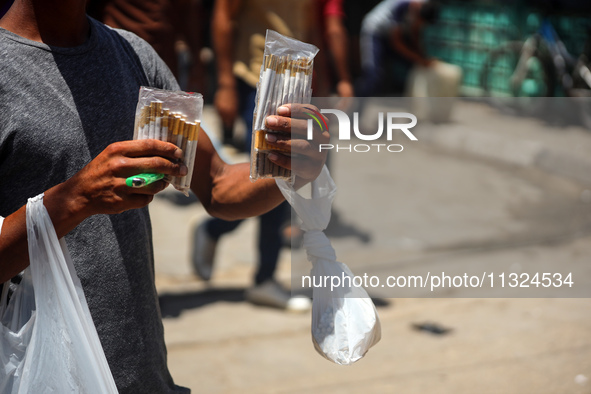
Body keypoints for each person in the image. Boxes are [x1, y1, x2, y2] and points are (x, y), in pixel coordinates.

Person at [0, 0, 328, 392]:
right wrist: (75, 200)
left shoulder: (131, 55)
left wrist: (292, 165)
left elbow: (220, 185)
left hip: (142, 375)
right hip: (38, 376)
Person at [191, 0, 351, 311]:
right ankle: (261, 276)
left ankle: (218, 232)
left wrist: (327, 81)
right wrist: (223, 83)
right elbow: (224, 15)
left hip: (299, 82)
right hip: (256, 79)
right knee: (274, 173)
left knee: (282, 181)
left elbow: (315, 27)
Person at [356, 0, 440, 96]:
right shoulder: (403, 5)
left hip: (388, 36)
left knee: (413, 65)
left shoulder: (421, 8)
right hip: (374, 33)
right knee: (373, 76)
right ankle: (356, 103)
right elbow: (396, 43)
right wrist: (420, 59)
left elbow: (415, 35)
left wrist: (423, 58)